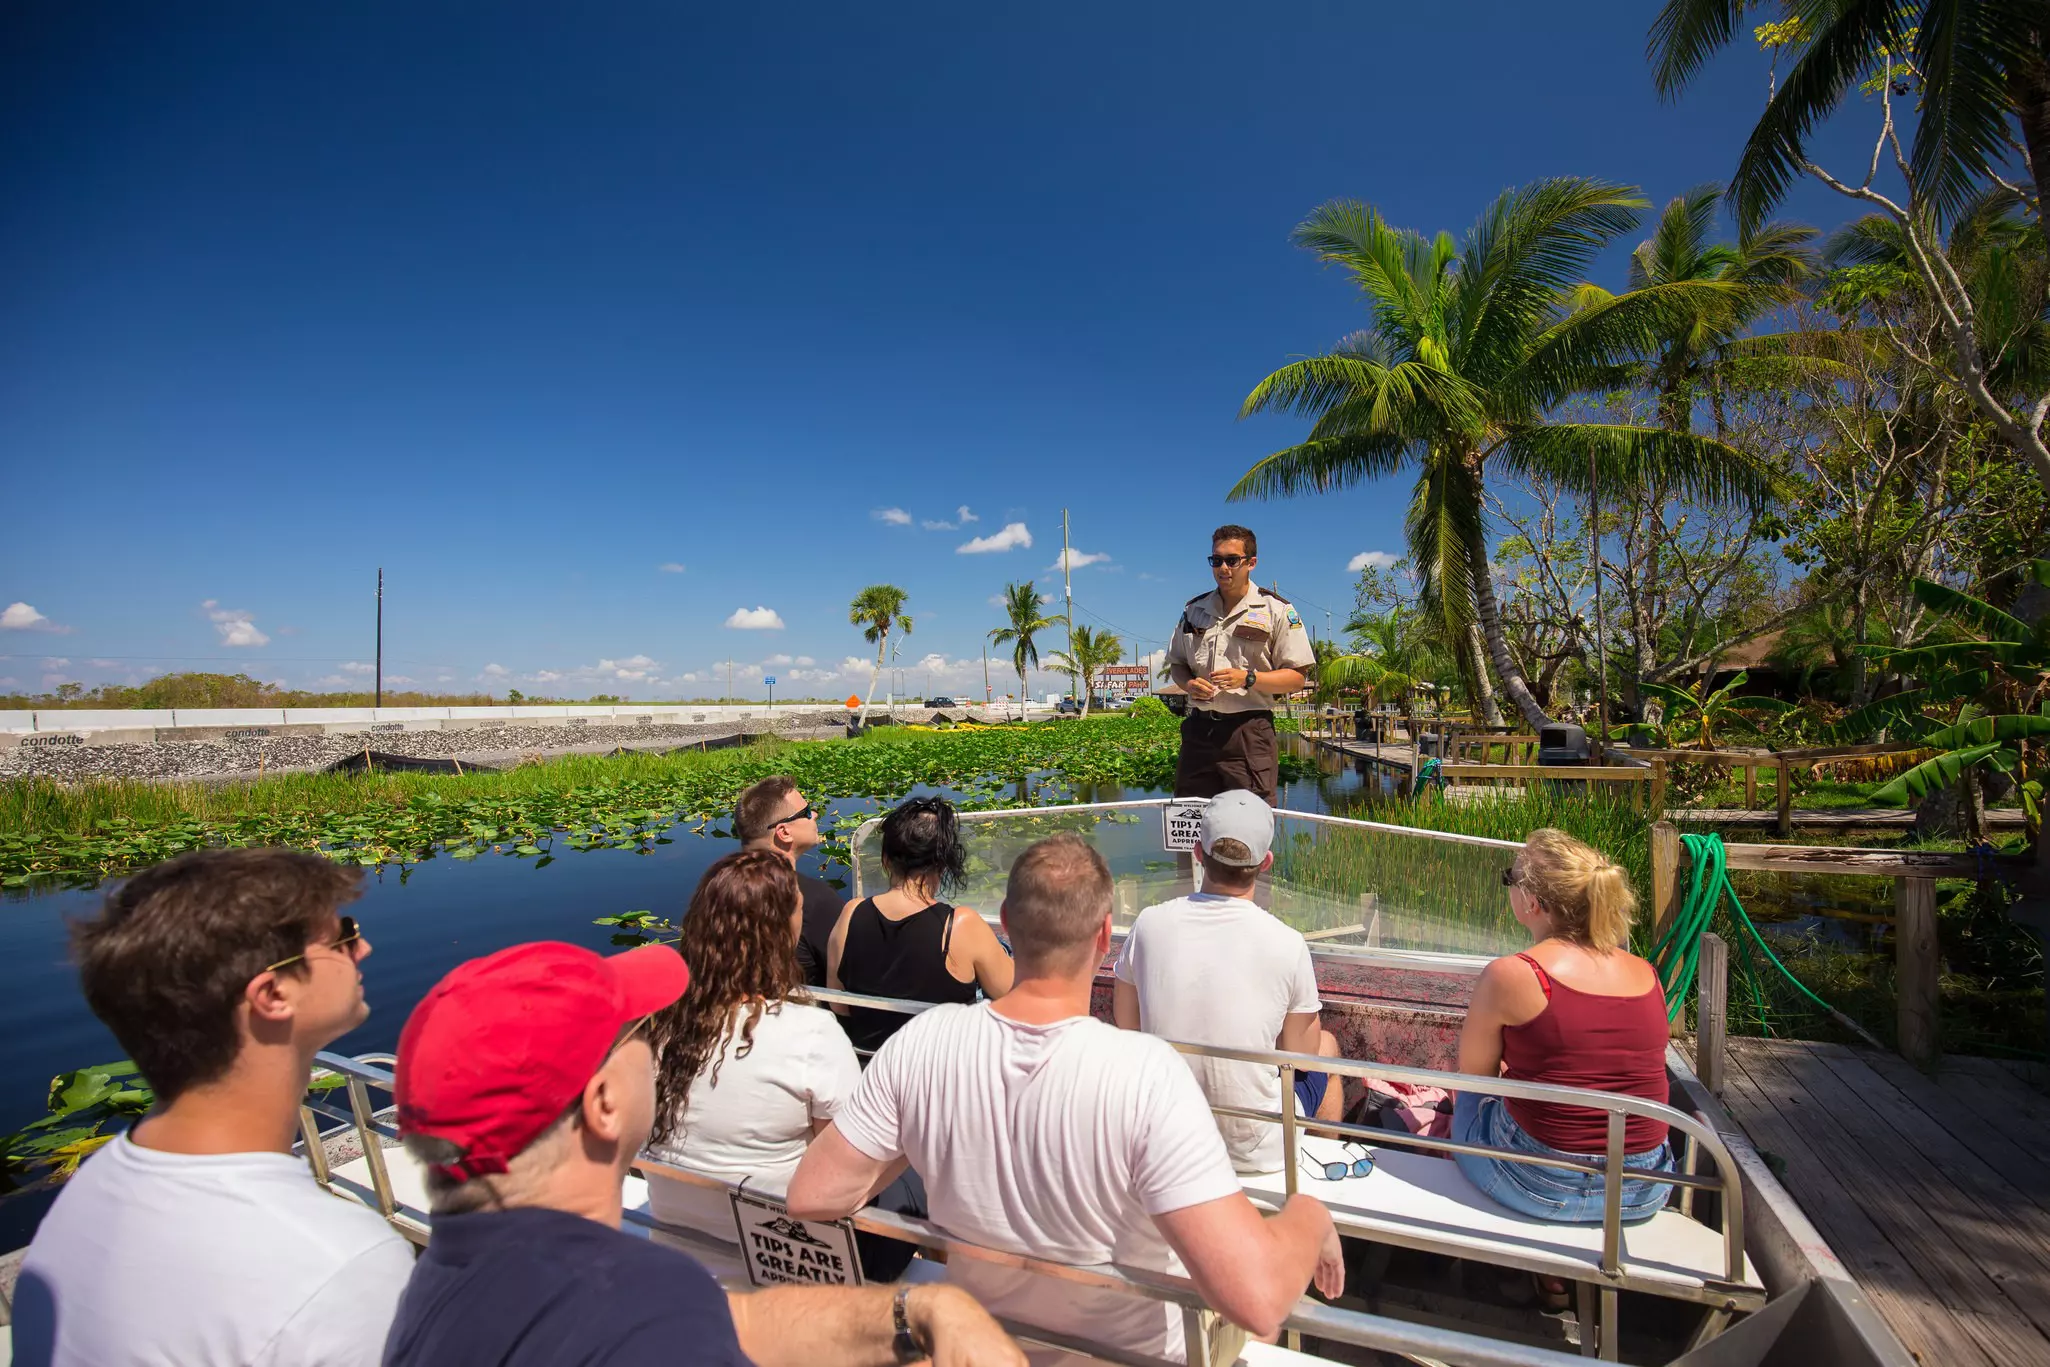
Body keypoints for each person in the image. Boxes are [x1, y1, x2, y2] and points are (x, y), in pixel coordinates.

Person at [789, 833, 1343, 1363]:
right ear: (1105, 936)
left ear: (1006, 924)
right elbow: (1258, 1302)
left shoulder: (924, 1043)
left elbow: (813, 1196)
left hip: (986, 1345)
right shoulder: (1148, 1077)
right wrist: (1310, 1217)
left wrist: (932, 1139)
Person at [382, 939, 1025, 1367]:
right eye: (642, 1029)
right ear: (603, 1103)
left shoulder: (445, 1280)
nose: (660, 1035)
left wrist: (921, 1309)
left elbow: (737, 1322)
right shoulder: (635, 1311)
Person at [15, 848, 413, 1367]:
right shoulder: (338, 1263)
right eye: (342, 937)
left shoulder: (95, 1186)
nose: (363, 947)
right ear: (271, 995)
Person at [1454, 827, 1677, 1232]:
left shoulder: (1511, 975)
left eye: (1510, 878)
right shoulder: (1646, 974)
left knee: (1469, 1100)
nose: (1508, 885)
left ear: (1532, 902)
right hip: (1646, 1185)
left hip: (1542, 1184)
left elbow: (1475, 1077)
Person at [1112, 790, 1344, 1174]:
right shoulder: (1287, 943)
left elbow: (1127, 1023)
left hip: (1167, 1143)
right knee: (1329, 1047)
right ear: (1265, 862)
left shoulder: (1149, 925)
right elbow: (1301, 1054)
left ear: (1199, 853)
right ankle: (1316, 1175)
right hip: (1256, 1152)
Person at [827, 796, 1012, 1055]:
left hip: (873, 1064)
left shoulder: (851, 912)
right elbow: (1012, 998)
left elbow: (840, 1005)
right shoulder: (961, 925)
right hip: (942, 1073)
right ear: (943, 862)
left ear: (885, 859)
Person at [1165, 524, 1315, 804]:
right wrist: (1189, 684)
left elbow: (1297, 678)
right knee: (1189, 822)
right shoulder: (1193, 610)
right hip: (1199, 731)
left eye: (1232, 560)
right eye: (1216, 560)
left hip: (1249, 733)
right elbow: (1177, 664)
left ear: (1251, 563)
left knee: (1249, 827)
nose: (1223, 568)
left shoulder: (1278, 611)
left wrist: (1248, 678)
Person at [734, 775, 844, 986]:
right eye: (805, 812)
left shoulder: (717, 889)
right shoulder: (814, 899)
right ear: (783, 832)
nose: (814, 814)